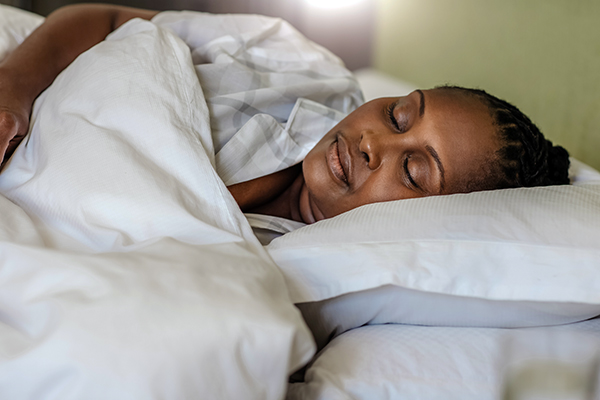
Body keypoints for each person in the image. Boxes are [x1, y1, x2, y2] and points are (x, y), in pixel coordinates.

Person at [0, 4, 570, 230]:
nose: (374, 142)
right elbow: (104, 18)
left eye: (415, 172)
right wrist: (12, 93)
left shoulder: (306, 278)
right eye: (399, 116)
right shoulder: (302, 64)